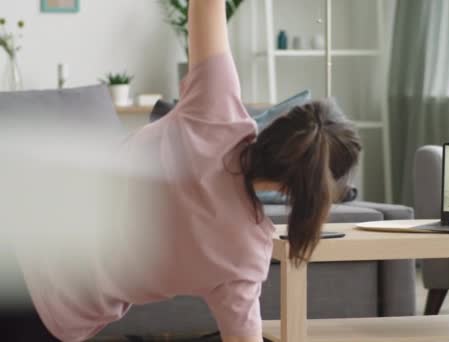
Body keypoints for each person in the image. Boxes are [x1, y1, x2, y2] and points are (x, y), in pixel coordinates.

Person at [4, 1, 361, 341]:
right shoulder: (245, 258)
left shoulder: (216, 109)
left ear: (281, 124)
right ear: (302, 191)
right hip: (53, 314)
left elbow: (206, 4)